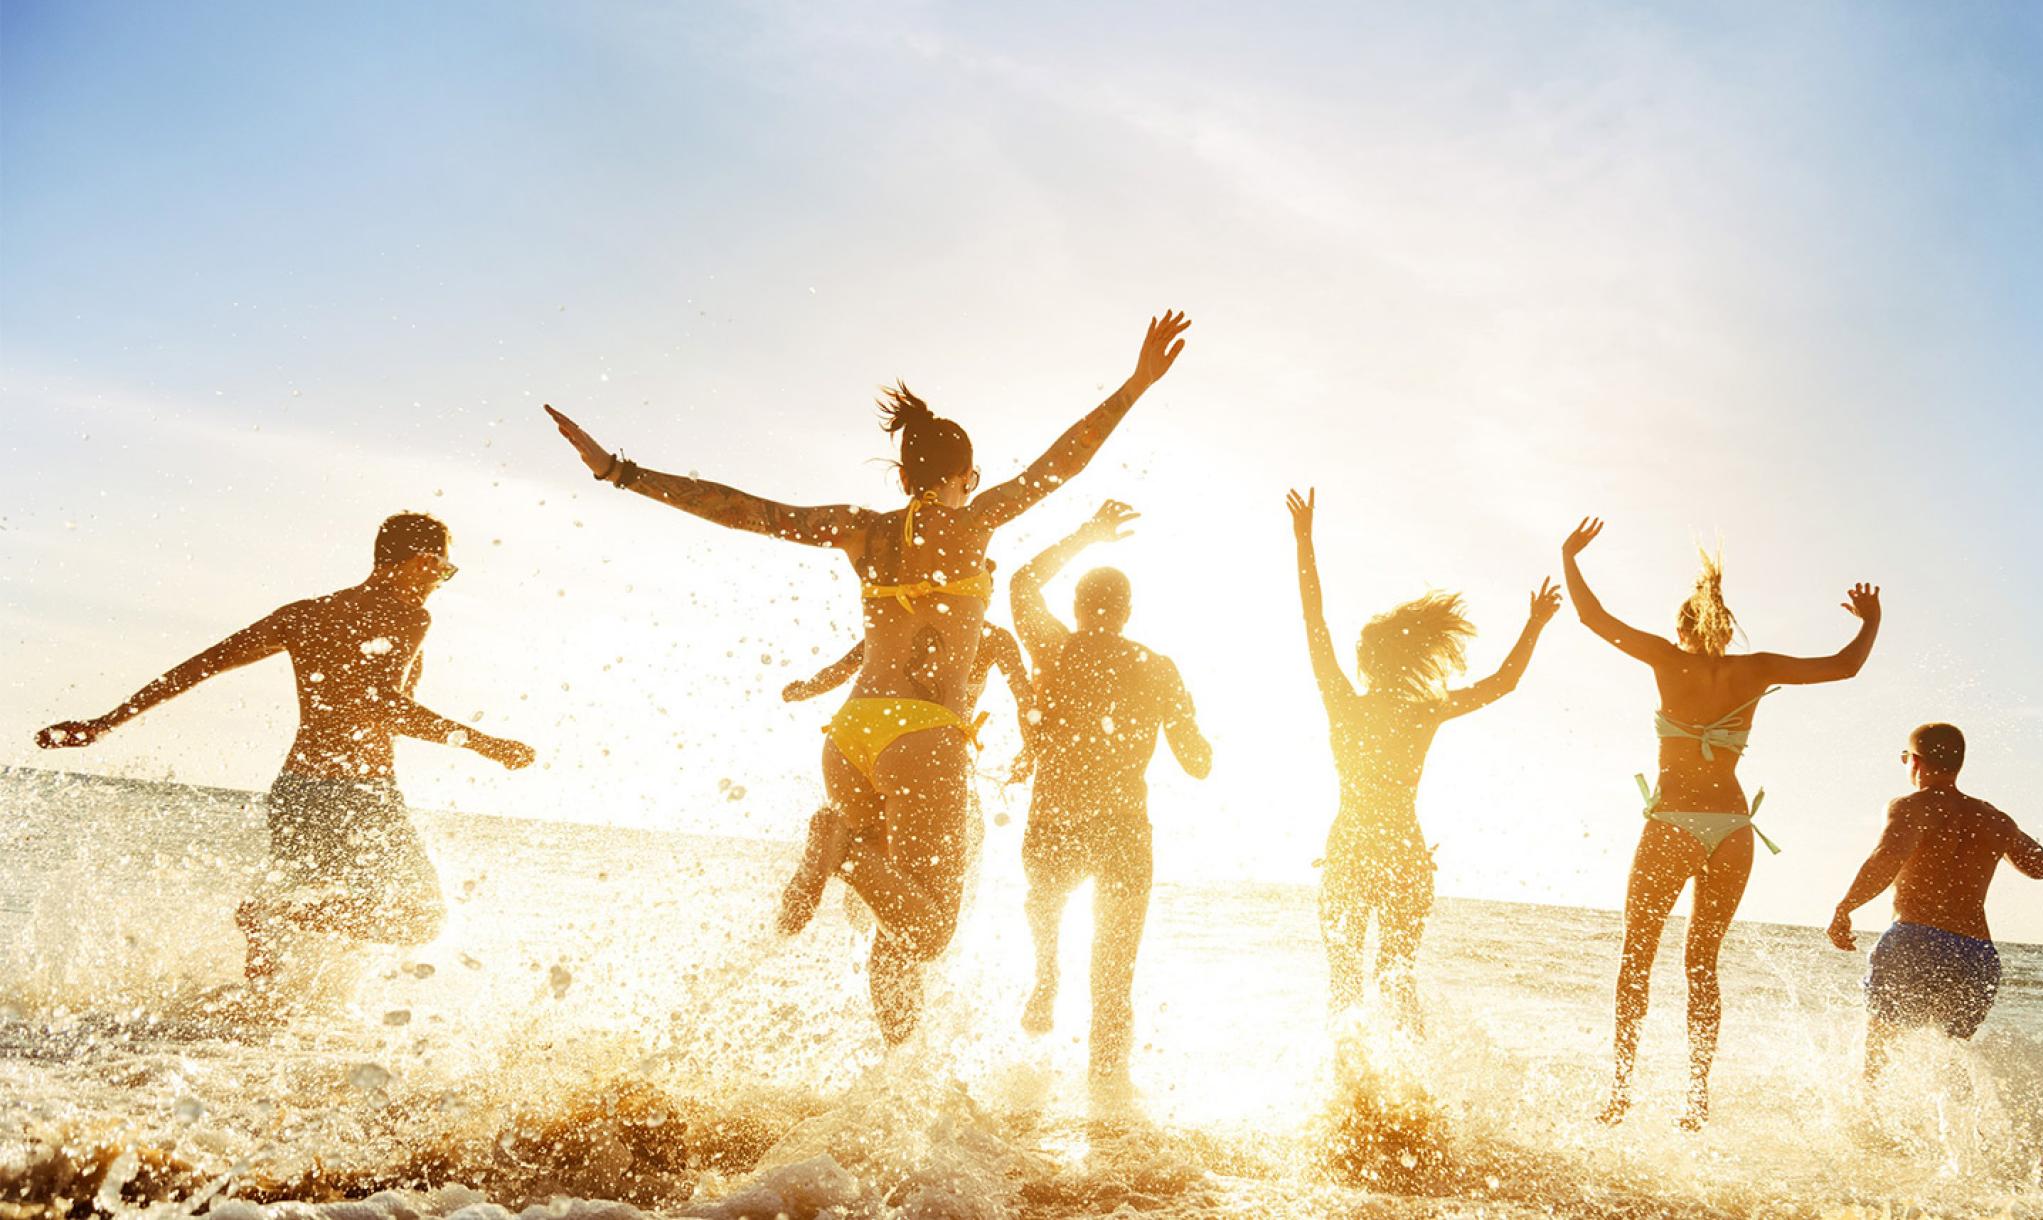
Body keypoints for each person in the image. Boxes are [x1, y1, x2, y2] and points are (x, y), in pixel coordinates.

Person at [544, 309, 1189, 1043]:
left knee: (897, 920)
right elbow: (1061, 462)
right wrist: (1136, 384)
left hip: (850, 736)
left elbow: (748, 511)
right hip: (922, 739)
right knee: (932, 932)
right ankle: (839, 847)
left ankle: (893, 1080)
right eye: (973, 477)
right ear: (959, 478)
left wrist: (619, 472)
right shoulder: (975, 523)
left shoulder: (863, 528)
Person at [32, 513, 535, 1007]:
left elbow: (205, 663)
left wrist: (107, 722)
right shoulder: (408, 616)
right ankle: (270, 918)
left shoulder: (306, 614)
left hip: (297, 792)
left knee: (282, 955)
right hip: (359, 795)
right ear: (417, 561)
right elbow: (381, 703)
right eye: (442, 570)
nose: (440, 584)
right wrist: (485, 744)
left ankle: (252, 1022)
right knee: (420, 919)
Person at [1559, 517, 1879, 1127]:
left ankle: (1620, 1095)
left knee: (1637, 958)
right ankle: (1696, 1101)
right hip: (1732, 829)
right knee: (1702, 964)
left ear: (1683, 627)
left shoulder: (1664, 658)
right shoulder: (1755, 668)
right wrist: (1871, 621)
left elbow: (1593, 618)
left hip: (1674, 821)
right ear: (1728, 631)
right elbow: (1845, 667)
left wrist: (1569, 557)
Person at [1287, 488, 1561, 1034]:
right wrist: (1535, 624)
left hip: (1348, 850)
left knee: (1344, 980)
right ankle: (1413, 1097)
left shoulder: (1343, 703)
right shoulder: (1424, 713)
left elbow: (1314, 623)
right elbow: (1502, 684)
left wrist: (1303, 541)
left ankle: (1348, 1093)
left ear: (1366, 662)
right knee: (1397, 977)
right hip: (1404, 854)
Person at [1008, 499, 1211, 1091]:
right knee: (1114, 974)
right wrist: (1193, 729)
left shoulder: (1057, 648)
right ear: (1126, 612)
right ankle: (1109, 1104)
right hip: (1124, 828)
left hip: (1055, 816)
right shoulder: (1157, 667)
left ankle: (1046, 971)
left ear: (1076, 608)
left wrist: (1088, 535)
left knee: (1044, 900)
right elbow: (1197, 763)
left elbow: (1021, 583)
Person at [774, 616, 1035, 932]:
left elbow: (844, 668)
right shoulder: (990, 637)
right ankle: (889, 943)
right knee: (938, 871)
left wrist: (804, 690)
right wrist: (1030, 748)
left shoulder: (901, 623)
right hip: (928, 752)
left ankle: (805, 930)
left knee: (869, 849)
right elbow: (1023, 693)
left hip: (858, 738)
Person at [1828, 722, 2043, 1079]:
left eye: (1904, 758)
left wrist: (1845, 907)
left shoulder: (1911, 806)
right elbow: (2040, 866)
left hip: (1916, 940)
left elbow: (1887, 858)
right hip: (1976, 955)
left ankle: (1871, 1129)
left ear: (1914, 761)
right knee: (1951, 1068)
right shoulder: (1992, 817)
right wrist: (2003, 831)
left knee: (1878, 1060)